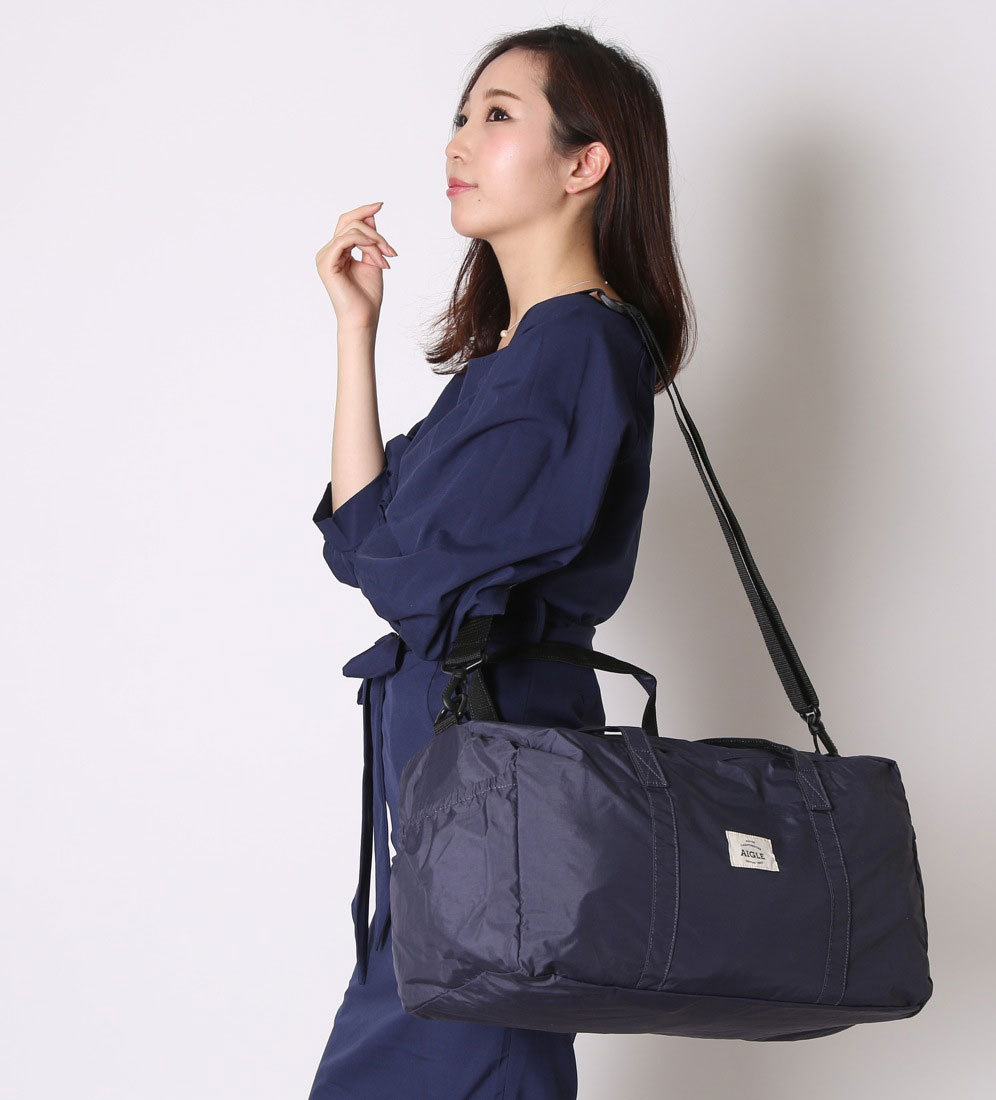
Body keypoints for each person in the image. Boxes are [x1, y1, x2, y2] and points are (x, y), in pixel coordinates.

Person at [306, 23, 693, 1100]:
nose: (459, 141)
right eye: (460, 116)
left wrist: (395, 558)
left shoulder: (581, 347)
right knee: (450, 1051)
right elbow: (361, 538)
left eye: (498, 114)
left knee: (466, 1058)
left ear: (584, 163)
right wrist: (354, 332)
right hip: (458, 778)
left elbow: (404, 575)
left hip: (498, 777)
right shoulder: (511, 359)